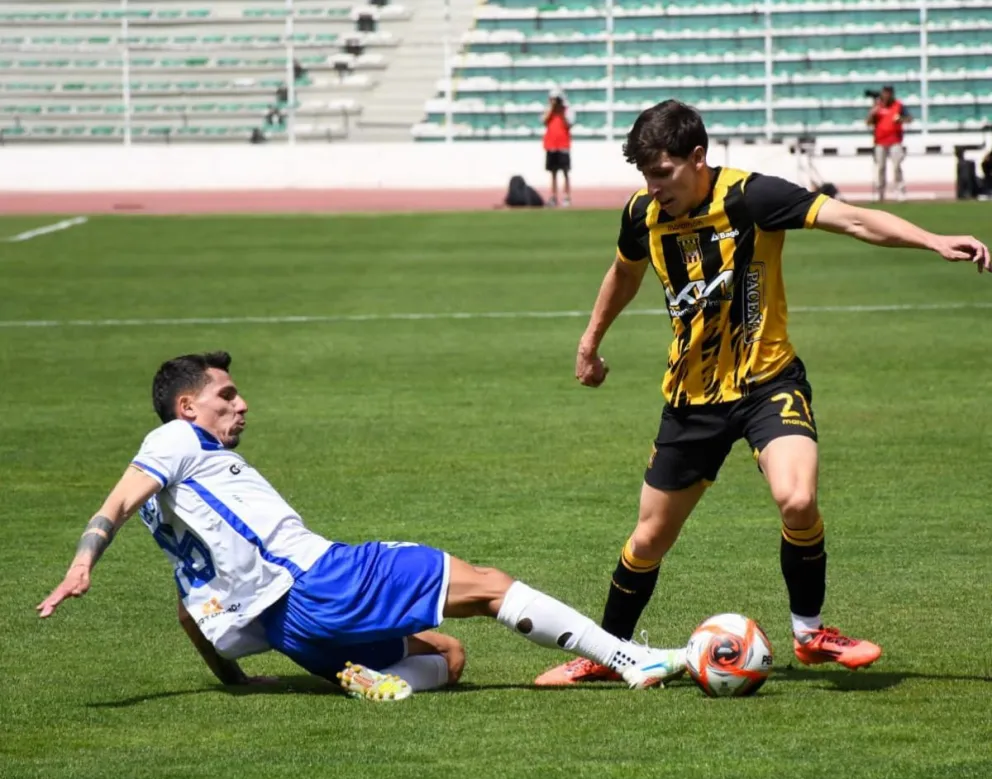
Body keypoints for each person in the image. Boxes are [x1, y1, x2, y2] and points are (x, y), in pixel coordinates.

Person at [534, 99, 990, 686]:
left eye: (664, 172)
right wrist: (589, 342)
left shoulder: (754, 198)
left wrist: (931, 239)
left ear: (698, 157)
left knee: (797, 499)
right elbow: (625, 271)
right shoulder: (642, 214)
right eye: (646, 175)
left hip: (767, 384)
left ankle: (809, 632)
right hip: (692, 400)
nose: (654, 187)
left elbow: (852, 219)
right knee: (648, 538)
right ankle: (607, 653)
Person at [37, 352, 687, 702]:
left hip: (291, 633)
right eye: (226, 395)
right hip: (324, 580)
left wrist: (238, 682)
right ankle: (630, 660)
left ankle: (387, 684)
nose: (242, 403)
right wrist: (84, 559)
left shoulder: (177, 510)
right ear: (187, 407)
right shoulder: (174, 440)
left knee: (449, 655)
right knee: (490, 585)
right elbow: (117, 501)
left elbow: (190, 612)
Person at [866, 86, 911, 202]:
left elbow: (909, 118)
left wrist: (900, 119)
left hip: (895, 140)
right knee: (881, 167)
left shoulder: (898, 105)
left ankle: (900, 191)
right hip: (880, 141)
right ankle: (880, 192)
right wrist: (872, 113)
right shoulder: (878, 106)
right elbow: (868, 122)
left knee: (897, 166)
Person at [542, 88, 575, 207]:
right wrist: (552, 109)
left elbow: (569, 124)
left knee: (565, 172)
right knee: (553, 173)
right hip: (551, 145)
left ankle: (566, 197)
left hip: (563, 145)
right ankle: (553, 197)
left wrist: (561, 112)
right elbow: (544, 120)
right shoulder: (548, 110)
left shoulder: (567, 110)